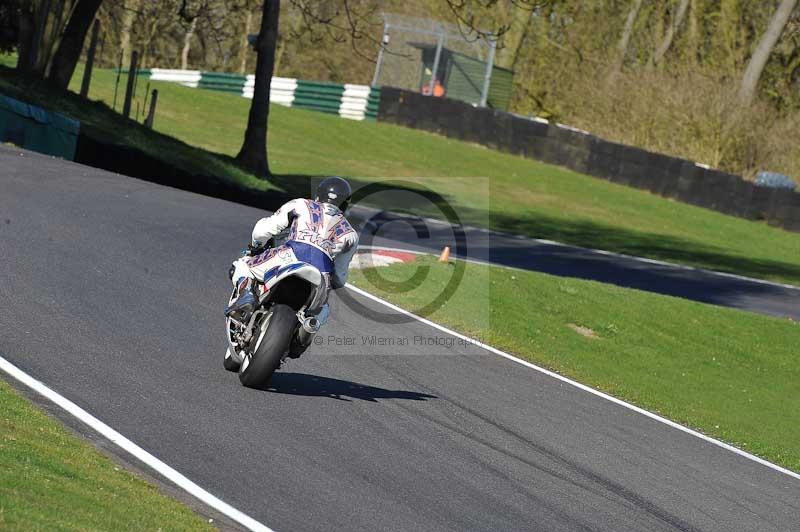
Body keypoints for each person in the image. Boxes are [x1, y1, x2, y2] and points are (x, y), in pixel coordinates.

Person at [225, 176, 358, 353]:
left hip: (289, 256)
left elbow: (262, 230)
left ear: (318, 195)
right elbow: (340, 276)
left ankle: (247, 294)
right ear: (345, 204)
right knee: (322, 309)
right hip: (320, 274)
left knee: (243, 264)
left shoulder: (301, 204)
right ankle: (306, 332)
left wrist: (255, 247)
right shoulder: (351, 234)